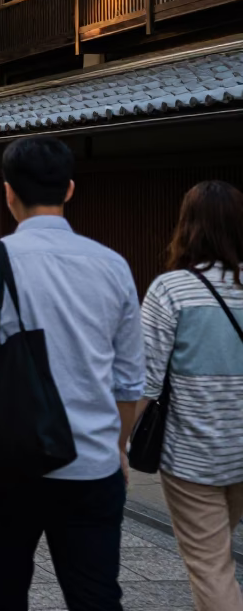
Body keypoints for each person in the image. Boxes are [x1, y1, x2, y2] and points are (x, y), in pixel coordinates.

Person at [0, 136, 144, 611]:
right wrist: (118, 448)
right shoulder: (113, 266)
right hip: (92, 461)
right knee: (95, 596)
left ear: (8, 192)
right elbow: (130, 379)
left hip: (8, 460)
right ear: (70, 190)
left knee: (4, 590)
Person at [140, 180, 243, 611]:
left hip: (192, 458)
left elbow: (142, 381)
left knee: (210, 565)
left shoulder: (171, 290)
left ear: (186, 227)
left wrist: (116, 444)